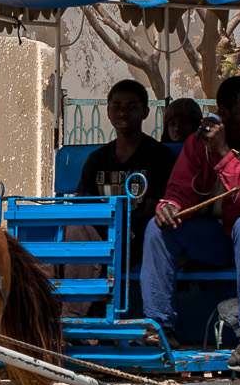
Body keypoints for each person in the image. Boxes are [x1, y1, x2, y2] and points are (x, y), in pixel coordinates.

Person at [140, 76, 240, 369]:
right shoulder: (197, 143)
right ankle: (159, 328)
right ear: (224, 115)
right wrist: (170, 206)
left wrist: (223, 153)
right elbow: (179, 189)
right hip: (223, 236)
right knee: (158, 227)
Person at [74, 79, 175, 272]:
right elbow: (83, 206)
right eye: (117, 107)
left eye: (131, 107)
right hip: (100, 237)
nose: (122, 112)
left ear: (145, 112)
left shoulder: (160, 157)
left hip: (140, 238)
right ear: (108, 111)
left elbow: (152, 211)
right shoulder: (96, 160)